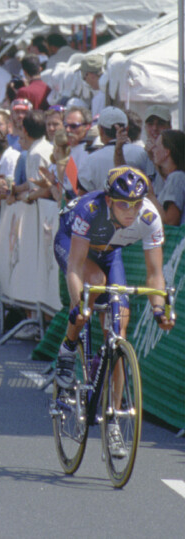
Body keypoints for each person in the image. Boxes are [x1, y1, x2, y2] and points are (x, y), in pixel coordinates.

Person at [52, 166, 173, 456]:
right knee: (93, 285)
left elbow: (155, 274)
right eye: (123, 204)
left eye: (136, 203)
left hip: (110, 252)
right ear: (109, 200)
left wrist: (160, 310)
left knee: (119, 331)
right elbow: (75, 267)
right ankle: (68, 350)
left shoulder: (149, 216)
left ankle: (114, 421)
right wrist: (78, 302)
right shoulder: (90, 208)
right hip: (73, 245)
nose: (131, 211)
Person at [77, 106, 152, 193]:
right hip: (138, 205)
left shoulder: (90, 160)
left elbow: (83, 196)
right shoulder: (142, 153)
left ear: (100, 130)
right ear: (126, 129)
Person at [151, 128, 185, 225]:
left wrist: (150, 197)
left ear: (166, 152)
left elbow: (171, 221)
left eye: (157, 146)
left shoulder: (176, 178)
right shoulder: (173, 178)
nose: (153, 149)